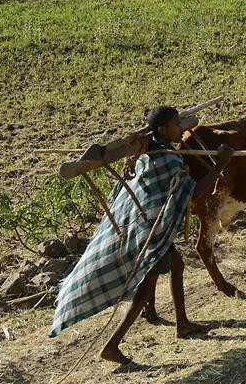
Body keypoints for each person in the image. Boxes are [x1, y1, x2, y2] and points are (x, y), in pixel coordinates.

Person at [49, 106, 233, 365]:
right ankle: (111, 346)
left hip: (148, 226)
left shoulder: (152, 151)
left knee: (177, 265)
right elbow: (194, 194)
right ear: (162, 130)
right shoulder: (166, 159)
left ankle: (182, 324)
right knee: (145, 291)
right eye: (176, 123)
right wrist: (220, 164)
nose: (181, 127)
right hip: (151, 232)